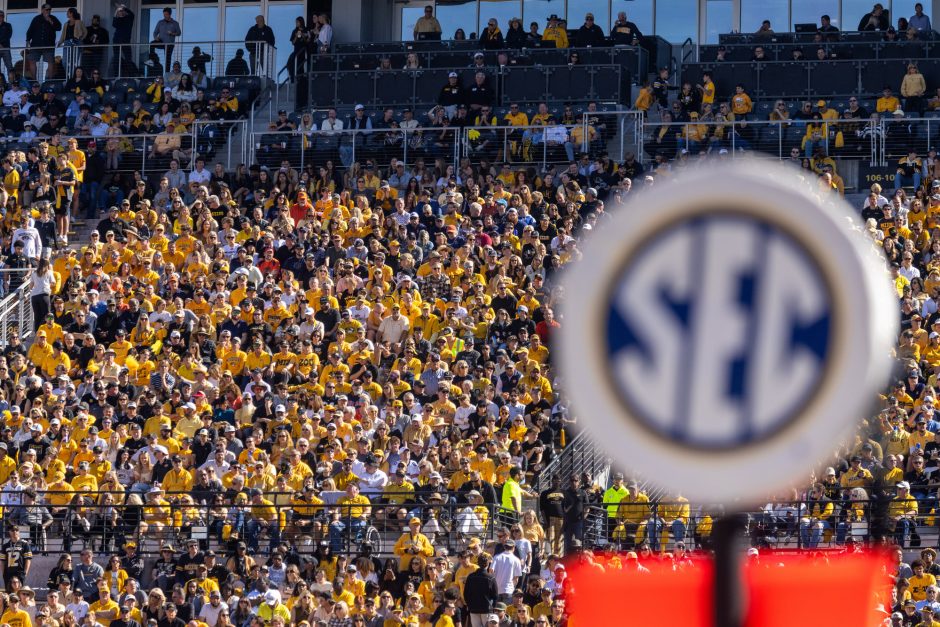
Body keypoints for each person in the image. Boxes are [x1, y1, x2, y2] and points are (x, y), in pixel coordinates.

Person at [25, 3, 61, 81]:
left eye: (49, 9)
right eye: (46, 9)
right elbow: (30, 30)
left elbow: (59, 27)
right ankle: (34, 80)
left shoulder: (53, 18)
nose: (48, 11)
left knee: (50, 62)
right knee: (32, 61)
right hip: (36, 44)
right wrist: (27, 40)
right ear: (42, 10)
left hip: (48, 45)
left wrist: (51, 21)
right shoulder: (36, 18)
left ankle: (49, 80)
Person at [152, 7, 181, 71]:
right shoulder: (160, 22)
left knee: (168, 59)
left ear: (170, 14)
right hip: (161, 41)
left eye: (166, 14)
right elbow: (155, 32)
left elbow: (179, 33)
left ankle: (166, 74)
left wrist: (172, 33)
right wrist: (155, 37)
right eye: (164, 14)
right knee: (151, 44)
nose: (165, 16)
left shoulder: (175, 23)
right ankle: (152, 60)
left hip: (169, 44)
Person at [112, 3, 134, 74]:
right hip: (117, 41)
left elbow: (132, 14)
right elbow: (114, 23)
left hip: (126, 41)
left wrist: (124, 7)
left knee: (128, 58)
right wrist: (117, 11)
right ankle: (116, 75)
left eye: (122, 11)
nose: (121, 13)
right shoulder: (118, 19)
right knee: (116, 58)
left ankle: (130, 75)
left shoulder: (129, 18)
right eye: (120, 12)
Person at [0, 11, 13, 78]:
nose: (0, 17)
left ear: (3, 17)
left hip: (5, 48)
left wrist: (1, 44)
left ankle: (11, 83)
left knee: (9, 66)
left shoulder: (8, 25)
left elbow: (8, 35)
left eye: (2, 16)